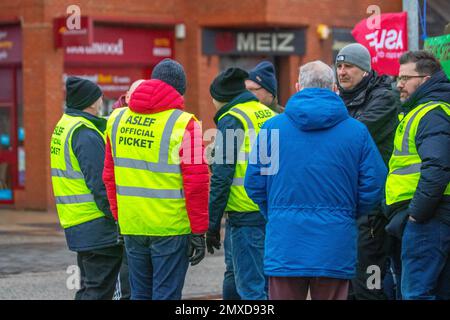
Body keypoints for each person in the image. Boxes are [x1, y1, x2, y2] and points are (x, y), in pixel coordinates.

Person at [245, 61, 386, 300]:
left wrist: (276, 212)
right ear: (334, 88)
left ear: (298, 87)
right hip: (334, 242)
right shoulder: (357, 131)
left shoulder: (271, 129)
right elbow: (374, 183)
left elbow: (254, 182)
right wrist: (349, 211)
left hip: (285, 243)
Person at [103, 58, 209, 300]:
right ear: (179, 91)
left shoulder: (116, 120)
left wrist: (119, 218)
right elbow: (197, 184)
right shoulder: (186, 124)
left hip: (133, 224)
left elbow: (109, 176)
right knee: (166, 294)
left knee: (139, 294)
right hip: (170, 228)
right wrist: (199, 231)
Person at [335, 43, 400, 300]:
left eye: (348, 66)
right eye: (339, 66)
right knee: (349, 278)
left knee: (369, 278)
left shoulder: (384, 98)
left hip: (374, 206)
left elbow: (352, 134)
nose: (342, 72)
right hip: (348, 202)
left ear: (365, 70)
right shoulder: (341, 99)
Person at [50, 76, 123, 300]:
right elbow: (100, 184)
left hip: (79, 224)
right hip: (97, 226)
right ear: (91, 102)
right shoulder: (85, 133)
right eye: (99, 96)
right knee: (98, 291)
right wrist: (117, 218)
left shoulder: (64, 126)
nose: (102, 100)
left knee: (89, 288)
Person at [385, 50, 450, 300]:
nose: (398, 84)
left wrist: (416, 215)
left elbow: (438, 166)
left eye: (404, 78)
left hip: (427, 220)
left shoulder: (431, 112)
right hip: (429, 217)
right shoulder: (427, 110)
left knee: (415, 294)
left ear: (424, 79)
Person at [206, 67, 275, 300]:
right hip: (271, 211)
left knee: (250, 290)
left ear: (220, 98)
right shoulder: (268, 114)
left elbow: (222, 176)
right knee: (262, 284)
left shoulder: (232, 119)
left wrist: (212, 224)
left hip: (245, 214)